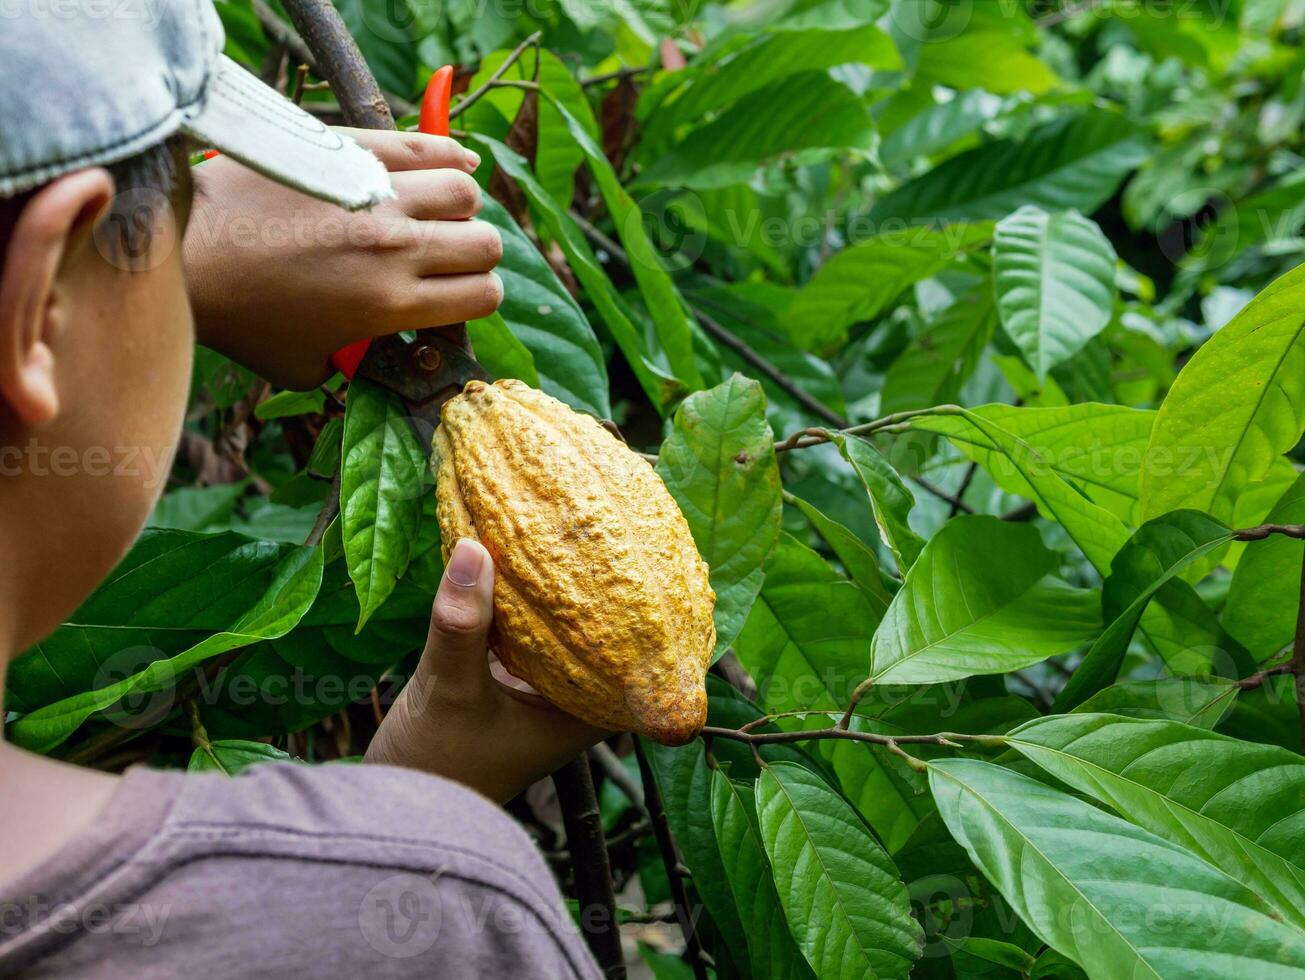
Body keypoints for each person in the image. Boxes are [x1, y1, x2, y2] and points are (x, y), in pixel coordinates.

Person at [0, 2, 606, 976]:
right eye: (182, 197)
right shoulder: (452, 922)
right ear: (37, 306)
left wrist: (173, 259)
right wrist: (412, 842)